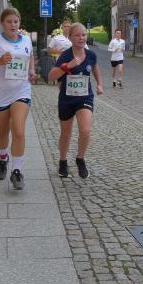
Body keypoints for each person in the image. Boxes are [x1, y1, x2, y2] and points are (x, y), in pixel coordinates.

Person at [0, 8, 36, 189]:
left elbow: (30, 56)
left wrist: (31, 71)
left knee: (18, 130)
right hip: (1, 94)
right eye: (9, 21)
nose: (13, 25)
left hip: (21, 91)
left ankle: (17, 171)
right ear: (2, 23)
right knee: (3, 132)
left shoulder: (26, 40)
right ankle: (3, 159)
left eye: (16, 21)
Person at [47, 23, 103, 179]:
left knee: (85, 130)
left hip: (85, 97)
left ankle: (80, 159)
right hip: (67, 99)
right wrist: (67, 66)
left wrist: (99, 84)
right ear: (70, 37)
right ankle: (63, 161)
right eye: (77, 35)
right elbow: (50, 77)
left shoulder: (91, 55)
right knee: (66, 133)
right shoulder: (65, 56)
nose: (81, 38)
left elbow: (95, 68)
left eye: (83, 35)